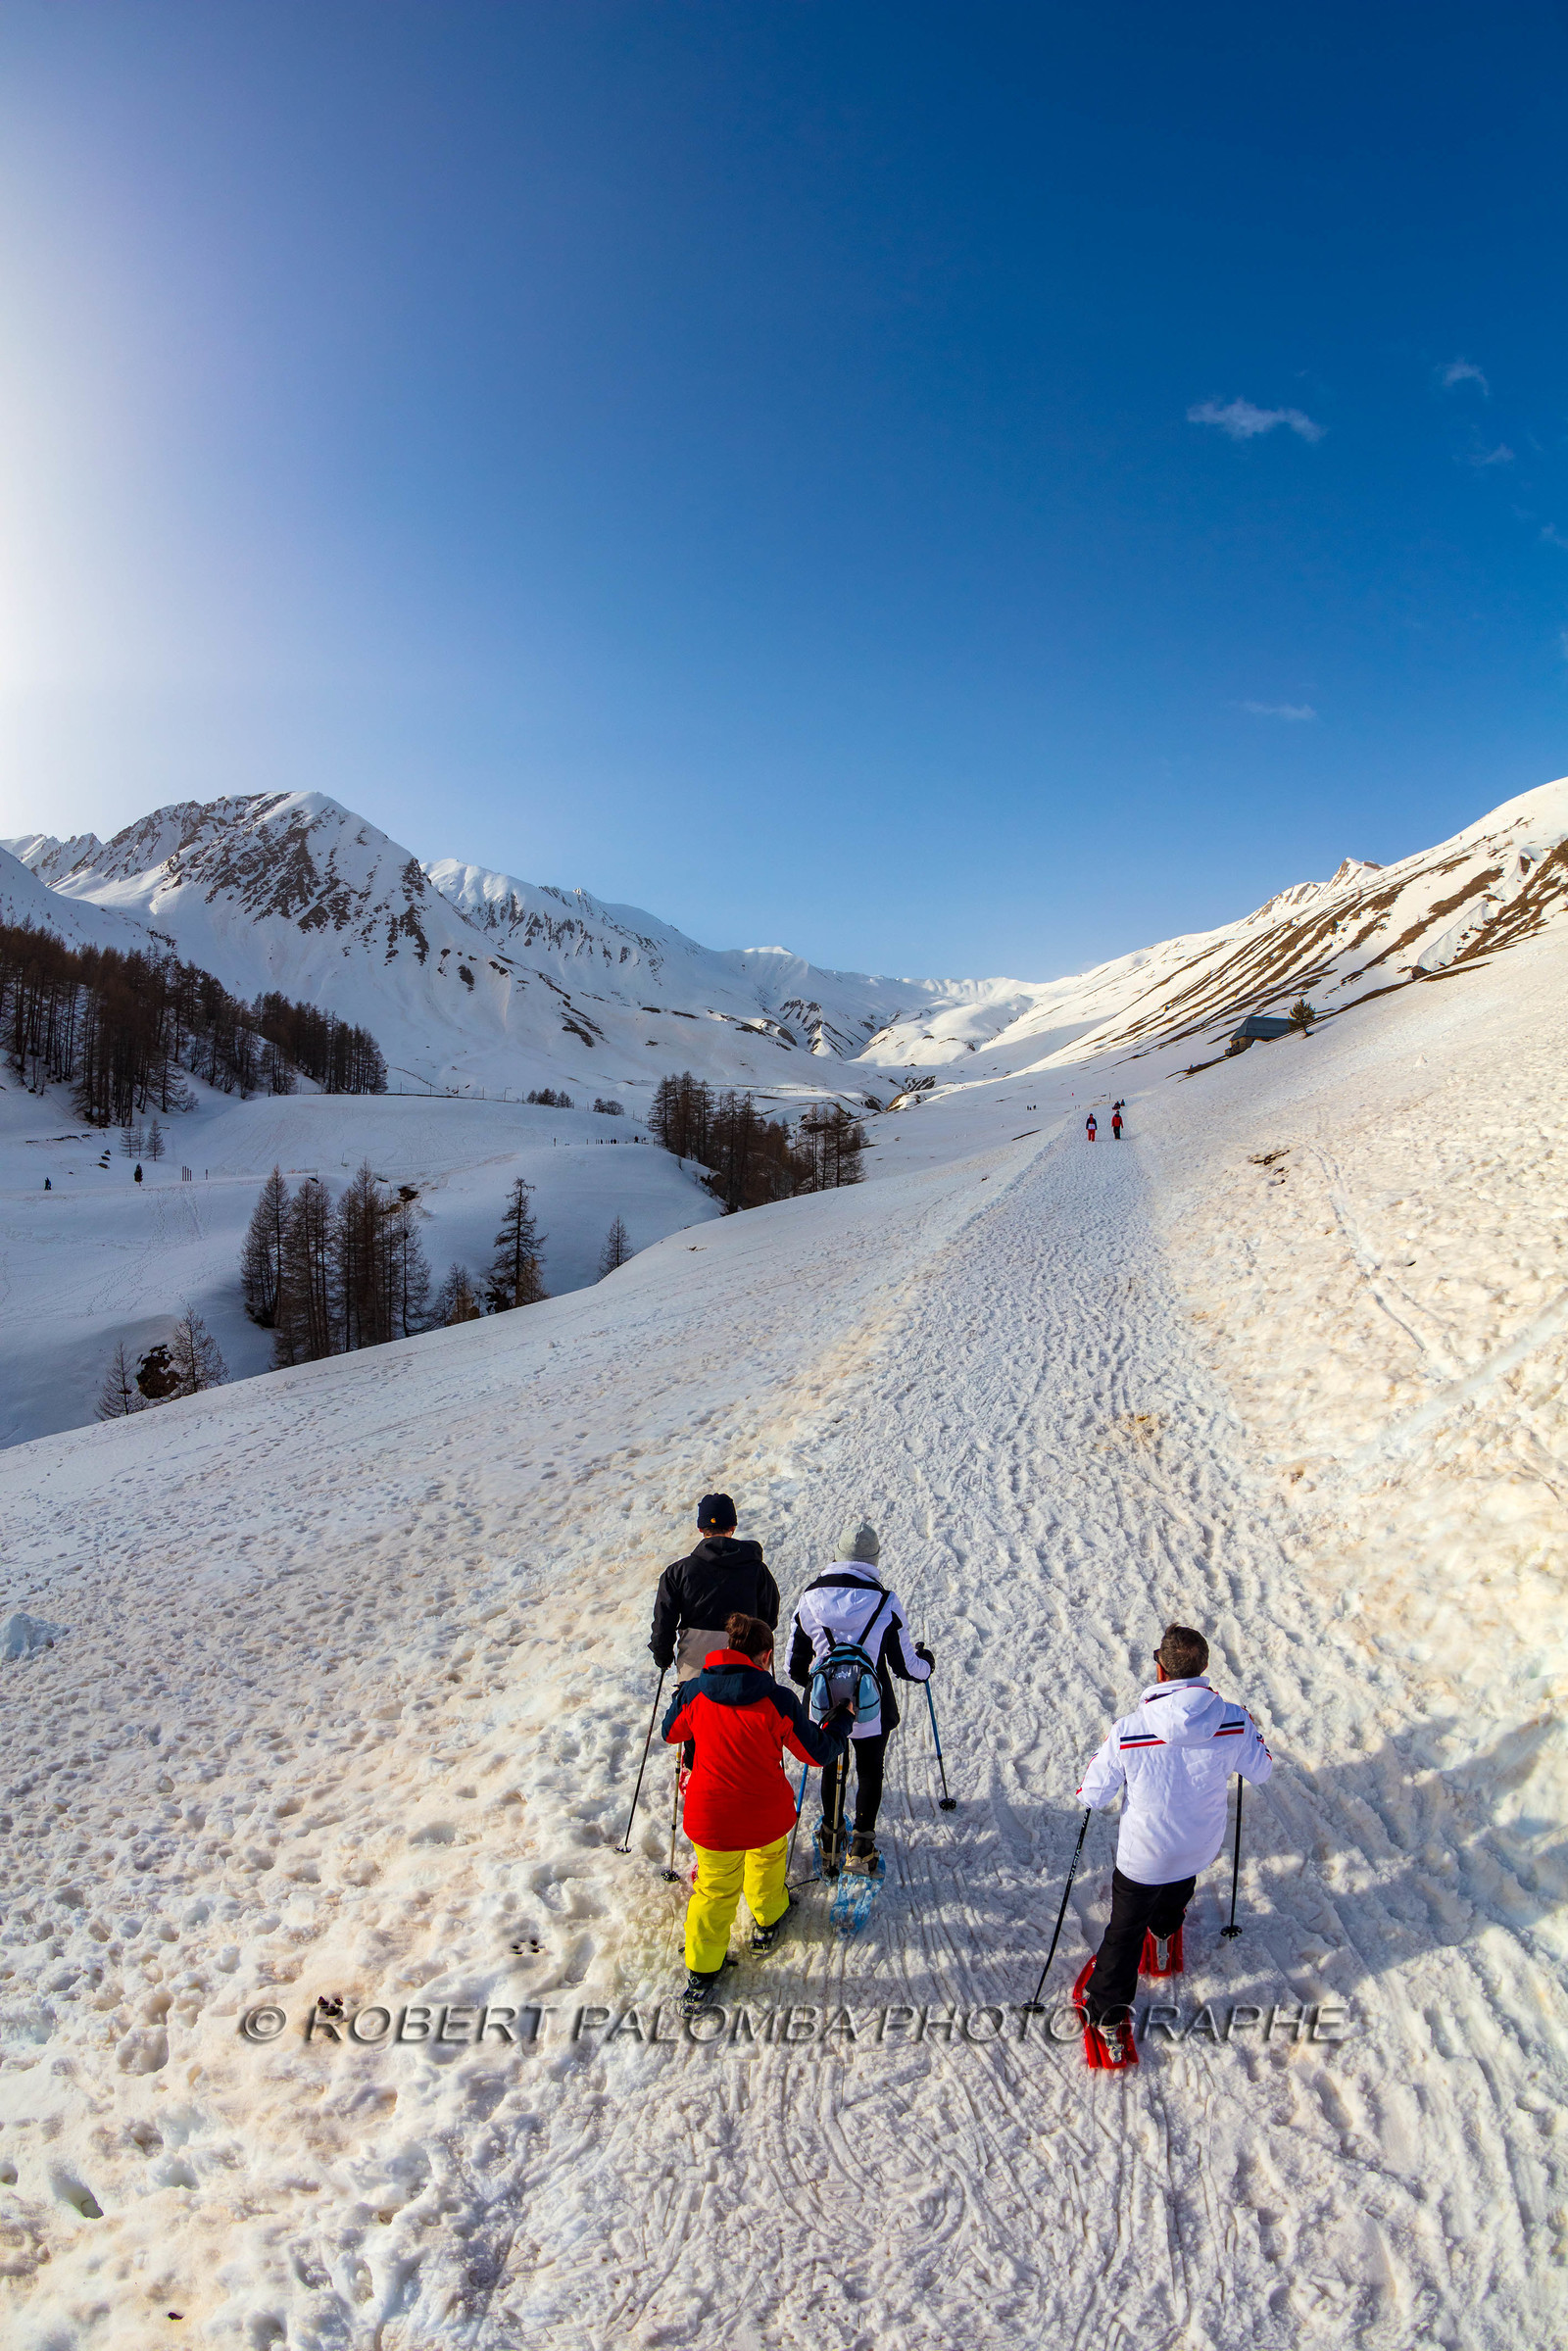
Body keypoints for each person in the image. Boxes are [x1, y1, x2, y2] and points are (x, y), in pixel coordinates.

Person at [1072, 1624, 1272, 2068]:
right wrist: (1251, 1732)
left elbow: (1092, 1794)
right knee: (1179, 1882)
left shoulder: (1130, 1729)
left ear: (1160, 1670)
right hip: (1201, 1844)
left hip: (1145, 1855)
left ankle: (1106, 2011)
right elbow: (1261, 1771)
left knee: (1122, 1934)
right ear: (1203, 1670)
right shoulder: (1234, 1718)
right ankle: (1164, 1934)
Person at [662, 1610, 847, 2010]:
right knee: (767, 1862)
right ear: (765, 1656)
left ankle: (702, 1970)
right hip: (765, 1814)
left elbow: (670, 1732)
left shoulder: (696, 1692)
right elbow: (817, 1752)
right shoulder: (776, 1700)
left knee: (714, 1889)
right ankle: (768, 1919)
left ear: (730, 1649)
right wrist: (839, 1726)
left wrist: (681, 1701)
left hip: (711, 1818)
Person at [786, 1519, 933, 1876]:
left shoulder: (808, 1598)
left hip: (824, 1709)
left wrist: (824, 1686)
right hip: (871, 1707)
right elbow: (906, 1667)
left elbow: (793, 1666)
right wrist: (927, 1663)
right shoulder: (886, 1601)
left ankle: (830, 1843)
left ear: (836, 1556)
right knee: (870, 1770)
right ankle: (862, 1849)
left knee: (832, 1765)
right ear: (874, 1560)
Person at [649, 1494, 780, 1688]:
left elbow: (664, 1620)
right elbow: (769, 1618)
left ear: (701, 1529)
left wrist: (663, 1654)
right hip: (744, 1651)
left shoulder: (678, 1571)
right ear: (733, 1528)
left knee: (694, 1710)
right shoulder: (757, 1569)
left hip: (696, 1658)